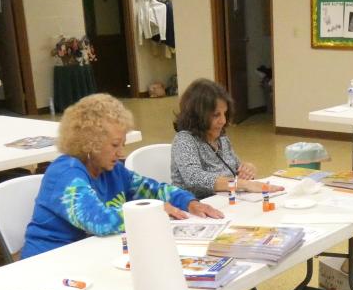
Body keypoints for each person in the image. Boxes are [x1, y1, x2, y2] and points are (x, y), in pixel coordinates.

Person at [22, 93, 222, 258]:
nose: (121, 153)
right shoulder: (66, 173)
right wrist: (152, 212)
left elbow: (153, 189)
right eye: (115, 145)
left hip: (89, 255)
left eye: (122, 145)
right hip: (50, 261)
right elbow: (97, 220)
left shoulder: (111, 169)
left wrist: (189, 203)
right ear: (90, 143)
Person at [171, 78, 283, 199]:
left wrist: (246, 169)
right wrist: (242, 184)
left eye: (225, 113)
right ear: (197, 115)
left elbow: (235, 168)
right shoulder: (184, 139)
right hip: (195, 206)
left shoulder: (222, 138)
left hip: (226, 201)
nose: (223, 121)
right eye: (216, 115)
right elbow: (194, 177)